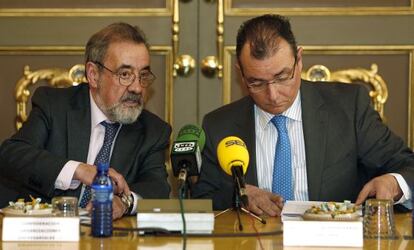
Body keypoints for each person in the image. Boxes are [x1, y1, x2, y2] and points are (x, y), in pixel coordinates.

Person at [191, 14, 414, 216]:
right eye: (256, 83)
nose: (273, 94)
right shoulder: (220, 125)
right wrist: (238, 194)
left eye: (282, 76)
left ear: (299, 61)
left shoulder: (348, 107)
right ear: (240, 72)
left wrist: (394, 182)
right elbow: (202, 197)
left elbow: (407, 165)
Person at [0, 22, 171, 219]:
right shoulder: (55, 105)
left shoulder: (153, 131)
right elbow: (12, 154)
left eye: (142, 76)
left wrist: (124, 202)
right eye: (125, 74)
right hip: (44, 235)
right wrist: (78, 170)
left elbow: (157, 187)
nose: (137, 88)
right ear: (93, 75)